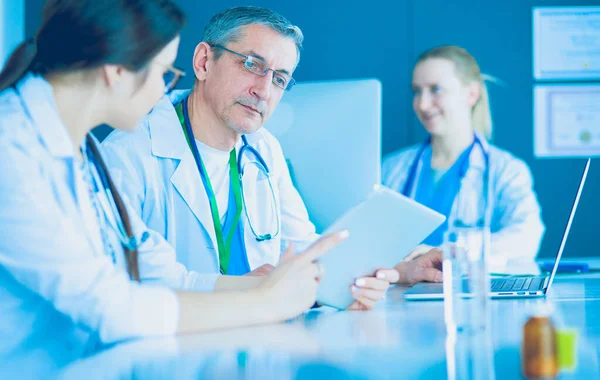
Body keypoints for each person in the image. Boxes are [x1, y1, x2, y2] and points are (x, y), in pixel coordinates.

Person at [0, 0, 359, 373]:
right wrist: (265, 304)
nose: (164, 90)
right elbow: (109, 307)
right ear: (116, 70)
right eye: (162, 73)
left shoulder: (78, 150)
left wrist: (271, 288)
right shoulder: (12, 150)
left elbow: (161, 272)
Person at [100, 6, 440, 296]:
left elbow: (300, 251)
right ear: (204, 61)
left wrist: (401, 269)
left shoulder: (264, 149)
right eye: (251, 64)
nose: (263, 90)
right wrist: (247, 292)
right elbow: (122, 285)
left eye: (279, 79)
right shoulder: (128, 154)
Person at [383, 46, 545, 270]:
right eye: (417, 91)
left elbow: (526, 236)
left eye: (435, 89)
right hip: (399, 295)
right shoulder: (391, 168)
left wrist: (450, 252)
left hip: (469, 295)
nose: (422, 104)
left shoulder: (506, 170)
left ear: (471, 94)